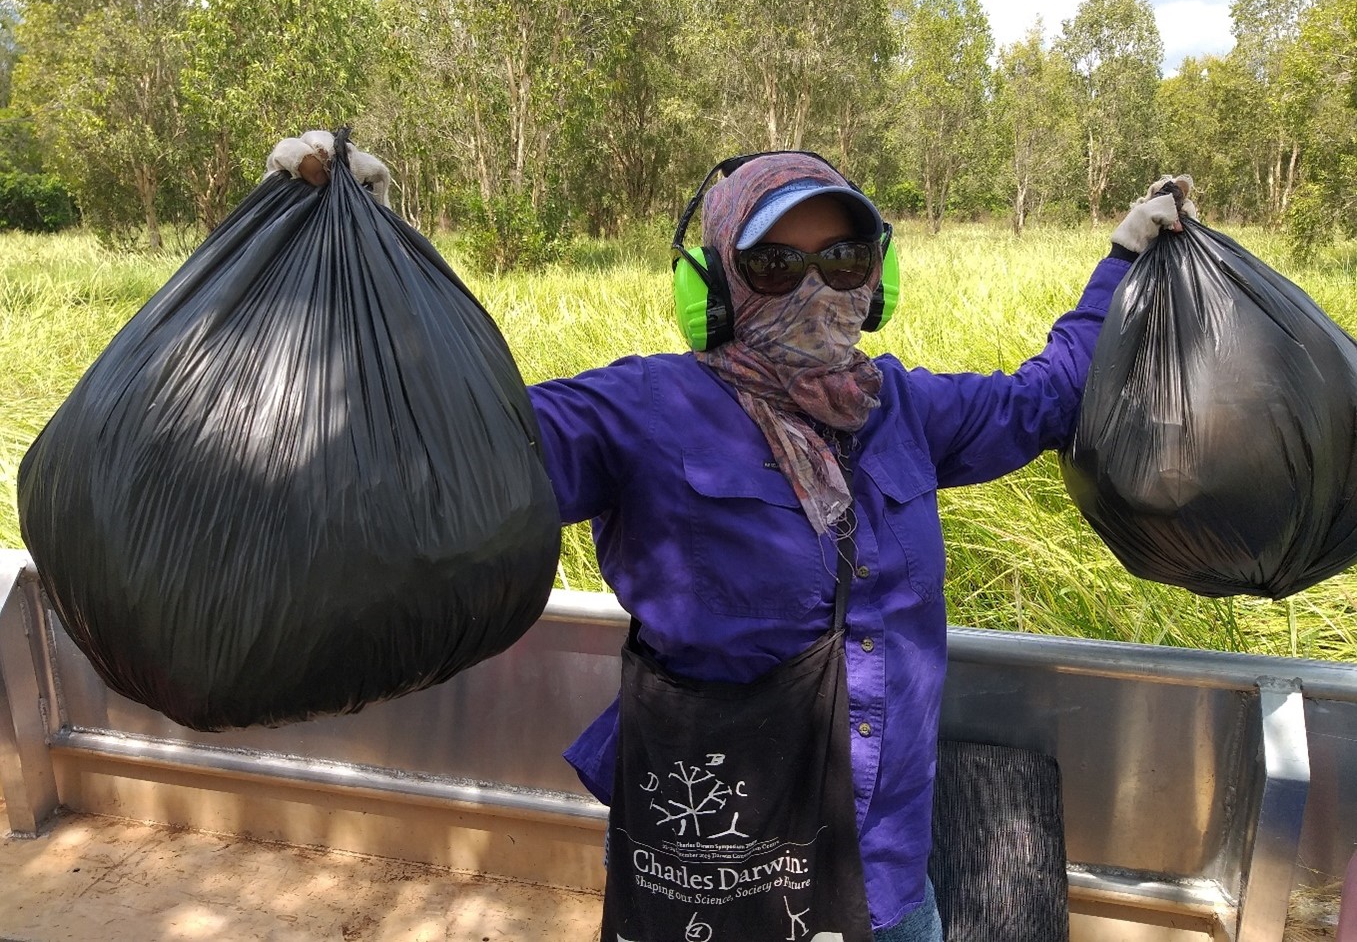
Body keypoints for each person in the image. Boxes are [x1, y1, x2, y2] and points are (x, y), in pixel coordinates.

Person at [266, 137, 1192, 941]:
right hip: (717, 866)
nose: (816, 286)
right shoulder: (638, 411)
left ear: (878, 275)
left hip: (888, 877)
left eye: (842, 256)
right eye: (774, 264)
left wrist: (1122, 257)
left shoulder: (905, 409)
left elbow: (1048, 393)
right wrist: (366, 255)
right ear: (713, 282)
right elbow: (461, 445)